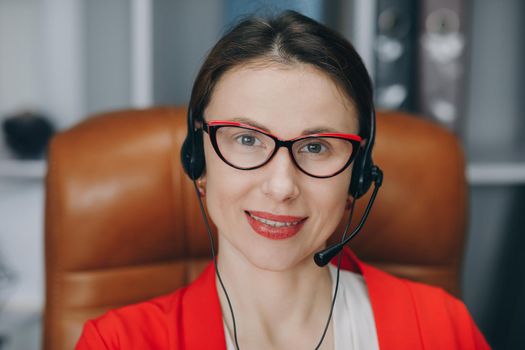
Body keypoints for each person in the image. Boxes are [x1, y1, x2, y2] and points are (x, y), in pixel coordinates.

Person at [75, 10, 489, 350]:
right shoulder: (117, 342)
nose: (281, 186)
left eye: (316, 147)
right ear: (198, 160)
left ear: (358, 174)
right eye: (247, 139)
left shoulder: (441, 328)